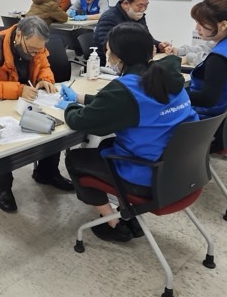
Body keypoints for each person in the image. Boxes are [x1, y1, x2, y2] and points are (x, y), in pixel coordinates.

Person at [62, 23, 198, 242]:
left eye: (108, 50)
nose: (107, 55)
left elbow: (81, 121)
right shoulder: (168, 77)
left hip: (149, 177)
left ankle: (112, 221)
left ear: (118, 56)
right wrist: (83, 98)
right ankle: (127, 212)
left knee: (76, 158)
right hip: (185, 171)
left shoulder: (125, 90)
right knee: (106, 145)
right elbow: (124, 104)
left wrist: (69, 106)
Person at [0, 16, 73, 213]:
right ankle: (3, 188)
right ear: (19, 36)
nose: (35, 53)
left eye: (38, 50)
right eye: (32, 49)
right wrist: (19, 90)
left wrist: (45, 80)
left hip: (21, 102)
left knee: (52, 124)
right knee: (3, 137)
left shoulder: (35, 44)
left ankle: (47, 172)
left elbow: (43, 65)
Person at [94, 0, 171, 66]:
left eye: (146, 5)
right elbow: (110, 48)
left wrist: (159, 46)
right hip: (111, 65)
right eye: (140, 6)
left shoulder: (138, 16)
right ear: (126, 4)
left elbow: (145, 38)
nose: (143, 9)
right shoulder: (109, 18)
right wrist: (143, 52)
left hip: (135, 61)